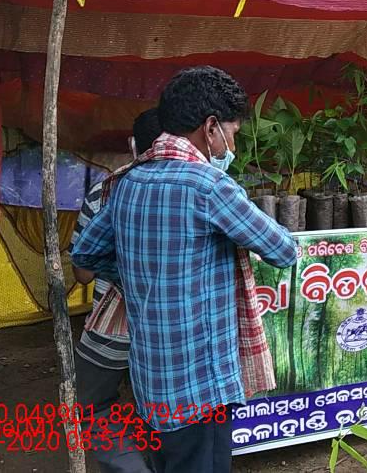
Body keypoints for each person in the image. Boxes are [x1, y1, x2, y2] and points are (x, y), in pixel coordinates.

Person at [71, 66, 298, 473]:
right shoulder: (209, 187)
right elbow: (283, 250)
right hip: (200, 389)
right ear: (210, 128)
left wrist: (142, 277)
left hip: (151, 383)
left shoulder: (129, 182)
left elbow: (84, 255)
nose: (232, 146)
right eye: (233, 134)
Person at [71, 108, 161, 473]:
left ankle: (130, 468)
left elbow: (82, 274)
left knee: (93, 405)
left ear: (133, 145)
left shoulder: (106, 191)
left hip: (114, 329)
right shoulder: (193, 188)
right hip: (167, 330)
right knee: (158, 410)